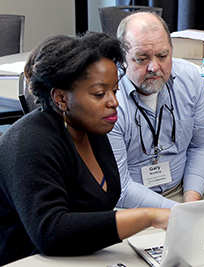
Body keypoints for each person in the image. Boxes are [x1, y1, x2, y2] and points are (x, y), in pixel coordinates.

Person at [0, 32, 170, 266]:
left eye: (115, 90)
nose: (113, 102)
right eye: (99, 94)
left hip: (82, 255)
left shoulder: (91, 129)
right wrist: (148, 216)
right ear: (61, 98)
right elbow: (50, 232)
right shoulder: (28, 143)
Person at [108, 11, 204, 209]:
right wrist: (178, 213)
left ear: (172, 49)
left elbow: (203, 146)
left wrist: (191, 201)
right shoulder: (109, 99)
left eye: (162, 56)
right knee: (129, 233)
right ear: (122, 60)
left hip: (184, 185)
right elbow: (121, 188)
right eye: (142, 59)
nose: (155, 67)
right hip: (133, 199)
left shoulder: (189, 78)